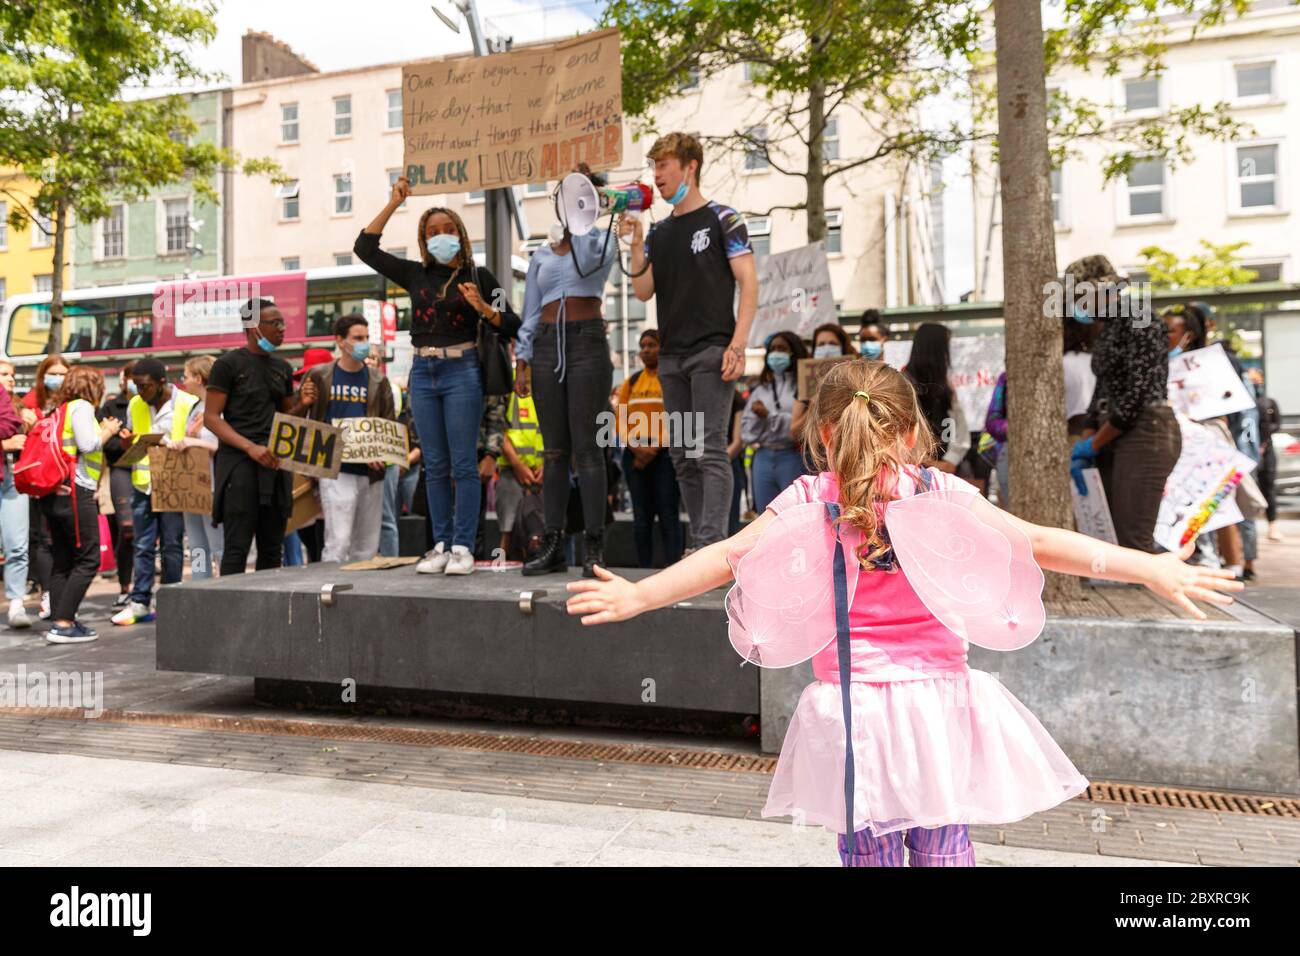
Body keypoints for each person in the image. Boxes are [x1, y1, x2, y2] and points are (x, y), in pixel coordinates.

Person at [565, 359, 1242, 867]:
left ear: (824, 435)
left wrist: (637, 595)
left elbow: (725, 559)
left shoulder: (810, 496)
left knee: (871, 850)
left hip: (856, 710)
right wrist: (1149, 565)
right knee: (944, 844)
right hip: (940, 704)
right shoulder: (939, 488)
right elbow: (1035, 542)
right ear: (914, 429)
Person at [355, 175, 520, 576]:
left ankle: (464, 546)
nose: (440, 236)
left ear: (461, 236)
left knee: (464, 464)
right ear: (423, 239)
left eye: (447, 230)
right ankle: (441, 545)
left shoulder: (481, 278)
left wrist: (483, 307)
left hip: (462, 370)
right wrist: (395, 202)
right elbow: (364, 248)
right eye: (432, 231)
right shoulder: (415, 274)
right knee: (434, 464)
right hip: (423, 370)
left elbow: (513, 323)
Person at [622, 132, 758, 551]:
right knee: (682, 454)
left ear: (690, 166)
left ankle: (711, 545)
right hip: (673, 357)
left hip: (713, 351)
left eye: (663, 165)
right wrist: (637, 243)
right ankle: (700, 544)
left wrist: (738, 345)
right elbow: (643, 291)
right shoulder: (661, 232)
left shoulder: (724, 218)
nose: (657, 175)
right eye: (654, 166)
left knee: (709, 450)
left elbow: (749, 282)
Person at [516, 165, 618, 577]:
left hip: (586, 343)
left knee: (588, 450)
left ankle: (594, 544)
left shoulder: (600, 240)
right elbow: (530, 309)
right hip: (544, 346)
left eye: (583, 190)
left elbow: (593, 267)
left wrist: (588, 221)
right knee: (553, 450)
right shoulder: (542, 251)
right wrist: (522, 359)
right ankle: (553, 541)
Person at [1071, 256, 1181, 553]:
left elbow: (1137, 395)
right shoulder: (1107, 328)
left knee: (1133, 538)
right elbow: (1102, 388)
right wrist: (1088, 436)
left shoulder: (1139, 317)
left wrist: (1093, 444)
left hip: (1145, 431)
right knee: (1111, 533)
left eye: (1081, 296)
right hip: (1112, 432)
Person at [204, 299, 318, 575]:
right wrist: (250, 448)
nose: (282, 329)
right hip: (239, 467)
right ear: (254, 327)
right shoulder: (227, 365)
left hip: (275, 467)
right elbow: (211, 417)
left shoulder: (282, 367)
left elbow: (286, 417)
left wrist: (302, 404)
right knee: (237, 548)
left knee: (272, 548)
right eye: (275, 323)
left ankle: (267, 612)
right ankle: (231, 614)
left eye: (282, 323)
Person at [110, 358, 199, 626]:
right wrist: (127, 442)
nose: (140, 392)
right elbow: (133, 442)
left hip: (173, 482)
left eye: (145, 386)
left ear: (162, 382)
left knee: (172, 544)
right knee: (142, 545)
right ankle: (140, 600)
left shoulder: (187, 402)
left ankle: (170, 597)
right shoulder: (137, 403)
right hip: (143, 482)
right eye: (136, 386)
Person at [303, 314, 396, 564]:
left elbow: (390, 423)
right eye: (358, 338)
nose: (364, 343)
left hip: (371, 471)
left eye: (366, 337)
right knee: (338, 541)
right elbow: (306, 415)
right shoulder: (320, 375)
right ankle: (329, 593)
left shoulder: (378, 379)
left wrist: (383, 454)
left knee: (367, 544)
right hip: (336, 468)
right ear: (341, 341)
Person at [43, 366, 121, 643]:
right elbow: (88, 445)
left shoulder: (60, 409)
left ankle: (59, 620)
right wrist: (108, 430)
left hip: (56, 491)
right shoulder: (82, 407)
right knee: (89, 558)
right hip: (77, 490)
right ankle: (64, 622)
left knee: (63, 560)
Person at [615, 329, 682, 567]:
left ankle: (675, 570)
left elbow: (676, 416)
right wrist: (635, 447)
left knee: (668, 516)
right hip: (634, 456)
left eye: (652, 344)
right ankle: (643, 570)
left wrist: (653, 448)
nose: (646, 350)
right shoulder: (631, 382)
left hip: (664, 456)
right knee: (641, 519)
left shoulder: (672, 379)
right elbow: (620, 418)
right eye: (643, 345)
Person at [743, 331, 808, 512]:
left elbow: (799, 428)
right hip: (763, 457)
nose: (776, 353)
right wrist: (780, 420)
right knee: (765, 516)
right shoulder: (760, 390)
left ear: (793, 352)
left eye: (782, 348)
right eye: (772, 349)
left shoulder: (803, 388)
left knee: (794, 515)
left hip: (793, 457)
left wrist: (768, 418)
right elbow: (747, 432)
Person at [23, 353, 66, 619]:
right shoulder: (30, 403)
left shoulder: (72, 402)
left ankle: (60, 593)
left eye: (63, 374)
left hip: (64, 480)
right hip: (39, 479)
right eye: (54, 373)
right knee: (41, 538)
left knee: (61, 539)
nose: (58, 379)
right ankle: (48, 593)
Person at [177, 356, 222, 579]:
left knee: (218, 544)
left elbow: (222, 446)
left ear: (198, 377)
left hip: (214, 485)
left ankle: (225, 587)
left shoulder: (221, 407)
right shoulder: (195, 407)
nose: (183, 381)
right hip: (193, 486)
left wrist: (194, 443)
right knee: (196, 545)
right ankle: (200, 585)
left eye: (185, 376)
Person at [904, 323, 969, 474]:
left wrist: (950, 460)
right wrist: (925, 461)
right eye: (946, 347)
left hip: (943, 470)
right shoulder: (903, 385)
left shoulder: (946, 388)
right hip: (910, 470)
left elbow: (959, 427)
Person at [99, 361, 138, 606]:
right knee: (127, 531)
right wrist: (125, 445)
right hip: (122, 472)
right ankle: (125, 587)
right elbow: (106, 444)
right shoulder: (111, 407)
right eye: (133, 377)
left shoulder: (152, 404)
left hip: (151, 473)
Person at [495, 370, 545, 560]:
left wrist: (547, 464)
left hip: (544, 471)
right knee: (507, 528)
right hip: (511, 468)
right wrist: (517, 464)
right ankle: (502, 568)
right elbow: (498, 427)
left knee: (544, 529)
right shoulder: (507, 382)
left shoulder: (548, 380)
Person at [0, 362, 29, 627]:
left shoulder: (19, 404)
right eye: (3, 374)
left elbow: (10, 423)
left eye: (11, 375)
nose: (9, 379)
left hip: (11, 478)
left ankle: (17, 603)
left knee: (17, 545)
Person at [379, 378, 422, 557]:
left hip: (410, 467)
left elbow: (422, 442)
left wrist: (405, 460)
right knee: (389, 517)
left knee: (418, 516)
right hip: (388, 467)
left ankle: (421, 552)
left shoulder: (410, 413)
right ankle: (389, 557)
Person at [1253, 369, 1282, 542]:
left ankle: (1273, 526)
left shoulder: (1270, 402)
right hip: (1249, 450)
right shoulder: (1245, 403)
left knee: (1268, 488)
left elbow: (1277, 424)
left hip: (1267, 450)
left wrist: (1263, 439)